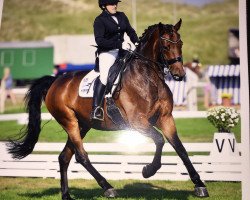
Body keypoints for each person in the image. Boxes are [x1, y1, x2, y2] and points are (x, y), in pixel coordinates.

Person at [91, 0, 139, 121]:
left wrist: (136, 42)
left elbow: (130, 31)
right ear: (104, 6)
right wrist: (119, 44)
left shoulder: (122, 15)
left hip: (123, 50)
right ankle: (96, 108)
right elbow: (100, 41)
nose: (115, 5)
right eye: (111, 4)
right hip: (107, 52)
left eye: (115, 3)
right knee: (104, 76)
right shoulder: (100, 20)